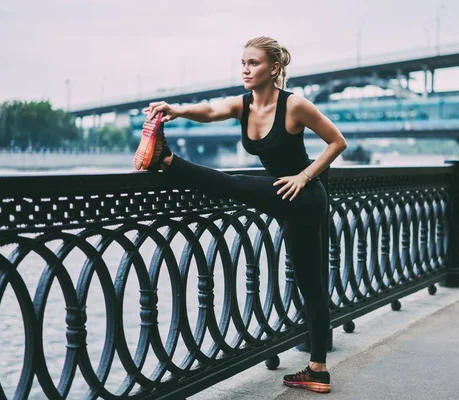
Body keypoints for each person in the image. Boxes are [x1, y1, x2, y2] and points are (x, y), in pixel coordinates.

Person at [135, 36, 347, 393]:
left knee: (233, 185)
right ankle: (318, 370)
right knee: (312, 285)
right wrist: (176, 110)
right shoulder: (244, 105)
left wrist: (304, 175)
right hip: (285, 198)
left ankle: (167, 160)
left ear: (274, 68)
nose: (246, 70)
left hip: (304, 195)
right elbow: (211, 111)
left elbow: (337, 141)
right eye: (243, 63)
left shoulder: (295, 105)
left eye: (254, 63)